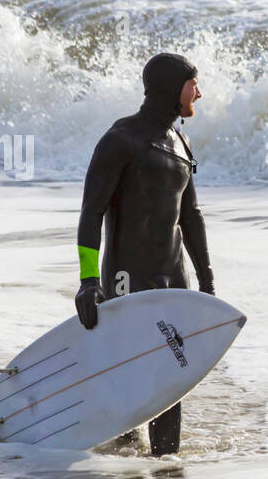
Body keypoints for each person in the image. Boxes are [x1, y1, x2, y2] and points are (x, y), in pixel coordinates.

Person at [74, 52, 214, 456]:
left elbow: (192, 217)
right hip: (127, 278)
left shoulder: (180, 141)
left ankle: (165, 465)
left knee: (172, 378)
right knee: (133, 378)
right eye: (193, 84)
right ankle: (125, 463)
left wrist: (206, 281)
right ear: (174, 88)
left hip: (173, 279)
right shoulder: (122, 140)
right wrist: (88, 281)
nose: (199, 93)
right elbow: (91, 213)